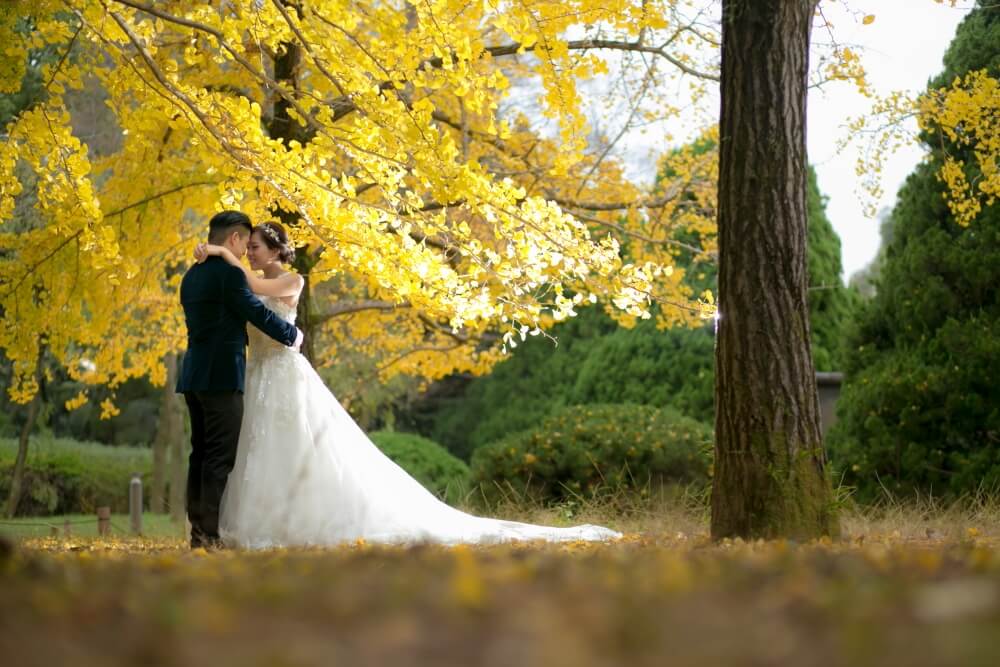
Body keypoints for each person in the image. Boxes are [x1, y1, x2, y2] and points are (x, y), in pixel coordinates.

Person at [194, 220, 622, 548]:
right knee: (257, 449)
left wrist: (220, 253)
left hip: (285, 374)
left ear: (274, 250)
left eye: (254, 247)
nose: (248, 252)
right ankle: (260, 521)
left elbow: (252, 286)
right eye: (245, 247)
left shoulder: (291, 279)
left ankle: (303, 521)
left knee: (297, 445)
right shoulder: (247, 278)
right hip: (258, 374)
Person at [176, 211, 303, 549]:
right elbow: (256, 312)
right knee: (219, 457)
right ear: (233, 239)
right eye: (245, 244)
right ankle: (209, 535)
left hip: (193, 375)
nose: (247, 251)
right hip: (222, 377)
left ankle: (198, 532)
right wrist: (291, 334)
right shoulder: (230, 277)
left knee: (199, 454)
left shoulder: (190, 276)